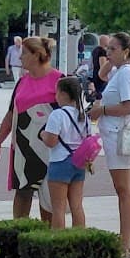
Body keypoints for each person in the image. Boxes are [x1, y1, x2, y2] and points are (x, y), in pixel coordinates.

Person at [0, 37, 60, 224]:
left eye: (24, 54)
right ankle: (19, 231)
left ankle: (48, 238)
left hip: (50, 148)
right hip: (23, 147)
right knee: (22, 192)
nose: (20, 58)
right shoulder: (22, 82)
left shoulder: (60, 80)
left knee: (48, 197)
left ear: (37, 55)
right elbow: (11, 113)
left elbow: (72, 115)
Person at [89, 31, 130, 258]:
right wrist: (109, 63)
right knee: (121, 189)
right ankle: (124, 241)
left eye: (113, 49)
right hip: (111, 135)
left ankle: (126, 242)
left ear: (126, 51)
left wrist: (103, 110)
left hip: (119, 135)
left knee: (124, 190)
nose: (108, 53)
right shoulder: (118, 72)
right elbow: (100, 75)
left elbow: (129, 106)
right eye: (107, 49)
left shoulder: (127, 73)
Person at [42, 74, 91, 230]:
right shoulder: (84, 117)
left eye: (56, 92)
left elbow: (51, 141)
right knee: (77, 206)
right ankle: (79, 238)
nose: (55, 96)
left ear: (63, 94)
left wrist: (43, 134)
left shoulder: (57, 115)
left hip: (60, 162)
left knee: (59, 208)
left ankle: (59, 243)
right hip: (79, 163)